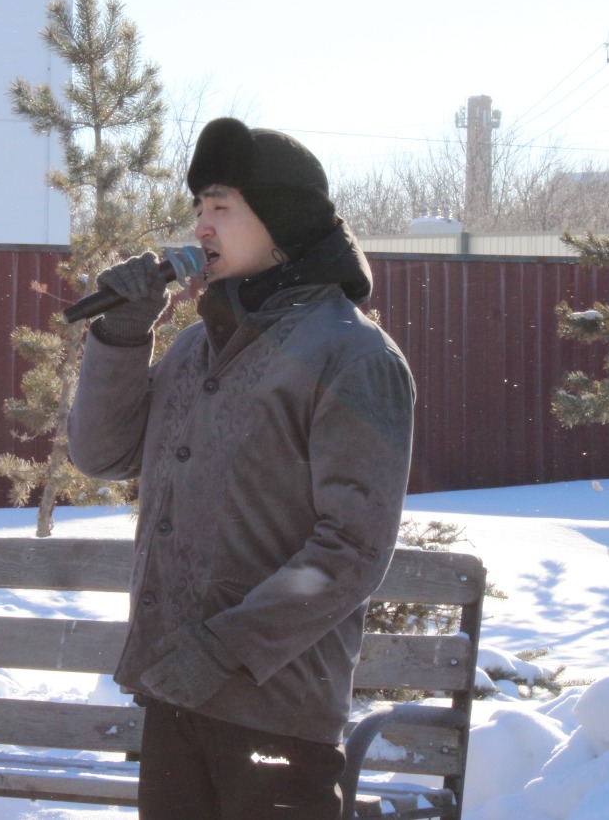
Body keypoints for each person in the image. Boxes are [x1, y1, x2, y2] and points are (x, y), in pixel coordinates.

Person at [67, 118, 416, 819]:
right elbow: (103, 455)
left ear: (281, 220)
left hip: (275, 709)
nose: (202, 225)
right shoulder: (197, 347)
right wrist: (122, 335)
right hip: (176, 691)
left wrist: (224, 649)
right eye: (199, 207)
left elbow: (352, 546)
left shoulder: (353, 357)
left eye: (222, 206)